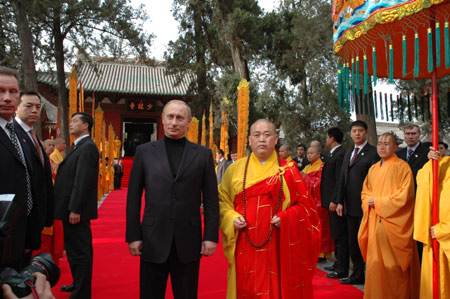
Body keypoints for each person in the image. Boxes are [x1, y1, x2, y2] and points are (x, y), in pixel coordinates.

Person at [126, 100, 219, 299]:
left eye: (180, 117)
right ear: (162, 119)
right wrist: (133, 235)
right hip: (152, 238)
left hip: (188, 239)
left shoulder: (203, 155)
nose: (174, 122)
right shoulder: (144, 152)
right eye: (170, 116)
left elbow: (211, 199)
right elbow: (133, 197)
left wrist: (211, 235)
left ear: (188, 122)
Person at [219, 119, 320, 299]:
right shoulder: (235, 170)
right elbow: (221, 201)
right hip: (244, 242)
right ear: (249, 140)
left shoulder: (288, 171)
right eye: (257, 135)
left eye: (267, 135)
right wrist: (231, 217)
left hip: (278, 244)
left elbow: (307, 208)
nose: (262, 139)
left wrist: (287, 217)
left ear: (275, 139)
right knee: (246, 287)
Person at [358, 132, 420, 299]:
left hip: (393, 226)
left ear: (395, 147)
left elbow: (405, 197)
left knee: (394, 268)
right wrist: (369, 202)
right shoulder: (373, 169)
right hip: (374, 223)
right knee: (375, 266)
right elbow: (365, 193)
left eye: (387, 143)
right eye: (379, 143)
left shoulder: (403, 167)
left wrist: (377, 202)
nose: (382, 146)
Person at [54, 112, 99, 299]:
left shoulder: (88, 148)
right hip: (68, 208)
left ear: (86, 125)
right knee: (73, 250)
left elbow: (82, 181)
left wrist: (75, 208)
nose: (70, 125)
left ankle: (82, 292)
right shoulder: (77, 146)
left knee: (80, 252)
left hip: (75, 210)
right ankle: (77, 284)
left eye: (75, 121)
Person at [335, 120, 379, 285]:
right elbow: (342, 178)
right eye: (354, 131)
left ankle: (370, 275)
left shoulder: (373, 153)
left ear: (366, 133)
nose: (357, 134)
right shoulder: (349, 152)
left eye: (360, 131)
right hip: (349, 207)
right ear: (350, 133)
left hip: (366, 206)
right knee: (353, 242)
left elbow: (376, 180)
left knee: (365, 242)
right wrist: (339, 201)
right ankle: (357, 274)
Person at [14, 91, 54, 262]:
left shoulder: (33, 135)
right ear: (16, 108)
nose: (34, 111)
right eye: (28, 106)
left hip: (34, 216)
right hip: (18, 217)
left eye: (38, 107)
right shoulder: (12, 134)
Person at [0, 66, 31, 269]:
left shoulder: (20, 134)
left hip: (20, 232)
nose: (7, 98)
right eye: (1, 91)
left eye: (13, 91)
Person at [414, 147, 450, 299]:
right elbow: (423, 183)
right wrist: (431, 164)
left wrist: (445, 229)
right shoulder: (445, 164)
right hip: (435, 233)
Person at [320, 127, 348, 279]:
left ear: (332, 138)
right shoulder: (332, 154)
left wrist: (335, 200)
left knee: (340, 235)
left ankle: (342, 268)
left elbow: (339, 179)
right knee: (335, 234)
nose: (326, 140)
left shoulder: (341, 153)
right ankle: (338, 263)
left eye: (327, 137)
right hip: (328, 201)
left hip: (335, 202)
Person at [303, 145, 333, 261]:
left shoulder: (322, 167)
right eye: (308, 153)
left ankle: (321, 253)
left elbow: (318, 184)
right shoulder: (307, 167)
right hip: (308, 203)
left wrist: (305, 178)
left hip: (319, 202)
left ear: (318, 154)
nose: (309, 155)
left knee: (320, 228)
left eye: (311, 153)